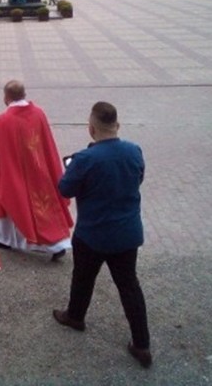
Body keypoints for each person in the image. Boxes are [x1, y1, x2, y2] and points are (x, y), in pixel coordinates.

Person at [52, 101, 151, 368]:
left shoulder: (85, 159)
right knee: (129, 286)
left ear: (91, 129)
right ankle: (142, 345)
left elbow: (64, 189)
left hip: (92, 233)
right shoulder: (134, 150)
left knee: (83, 278)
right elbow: (138, 178)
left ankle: (75, 316)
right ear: (117, 126)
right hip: (127, 233)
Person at [0, 80, 73, 260]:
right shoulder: (38, 113)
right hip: (39, 169)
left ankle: (56, 246)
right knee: (8, 201)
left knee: (21, 203)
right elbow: (47, 144)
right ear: (24, 95)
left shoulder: (3, 120)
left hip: (16, 171)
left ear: (5, 98)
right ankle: (3, 239)